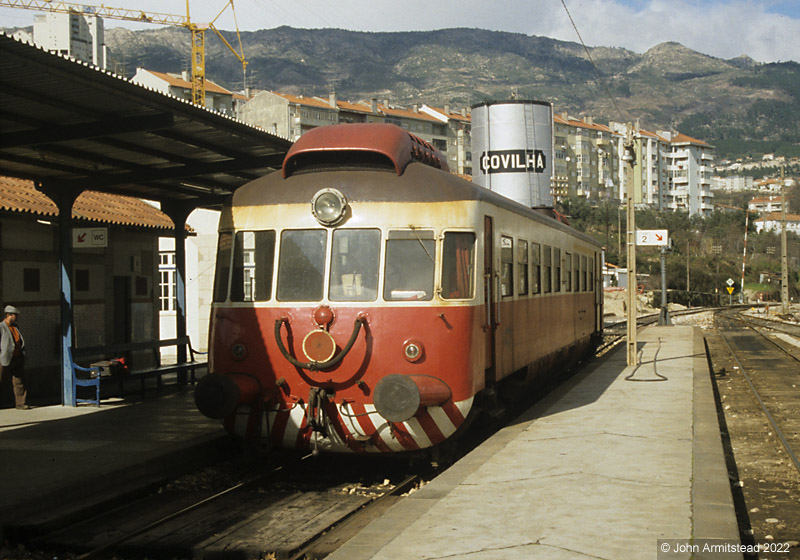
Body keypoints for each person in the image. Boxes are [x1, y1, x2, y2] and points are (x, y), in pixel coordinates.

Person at [0, 305, 29, 409]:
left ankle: (20, 403)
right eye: (14, 315)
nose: (16, 317)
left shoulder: (16, 327)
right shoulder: (1, 327)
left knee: (19, 381)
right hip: (5, 358)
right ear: (8, 315)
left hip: (17, 357)